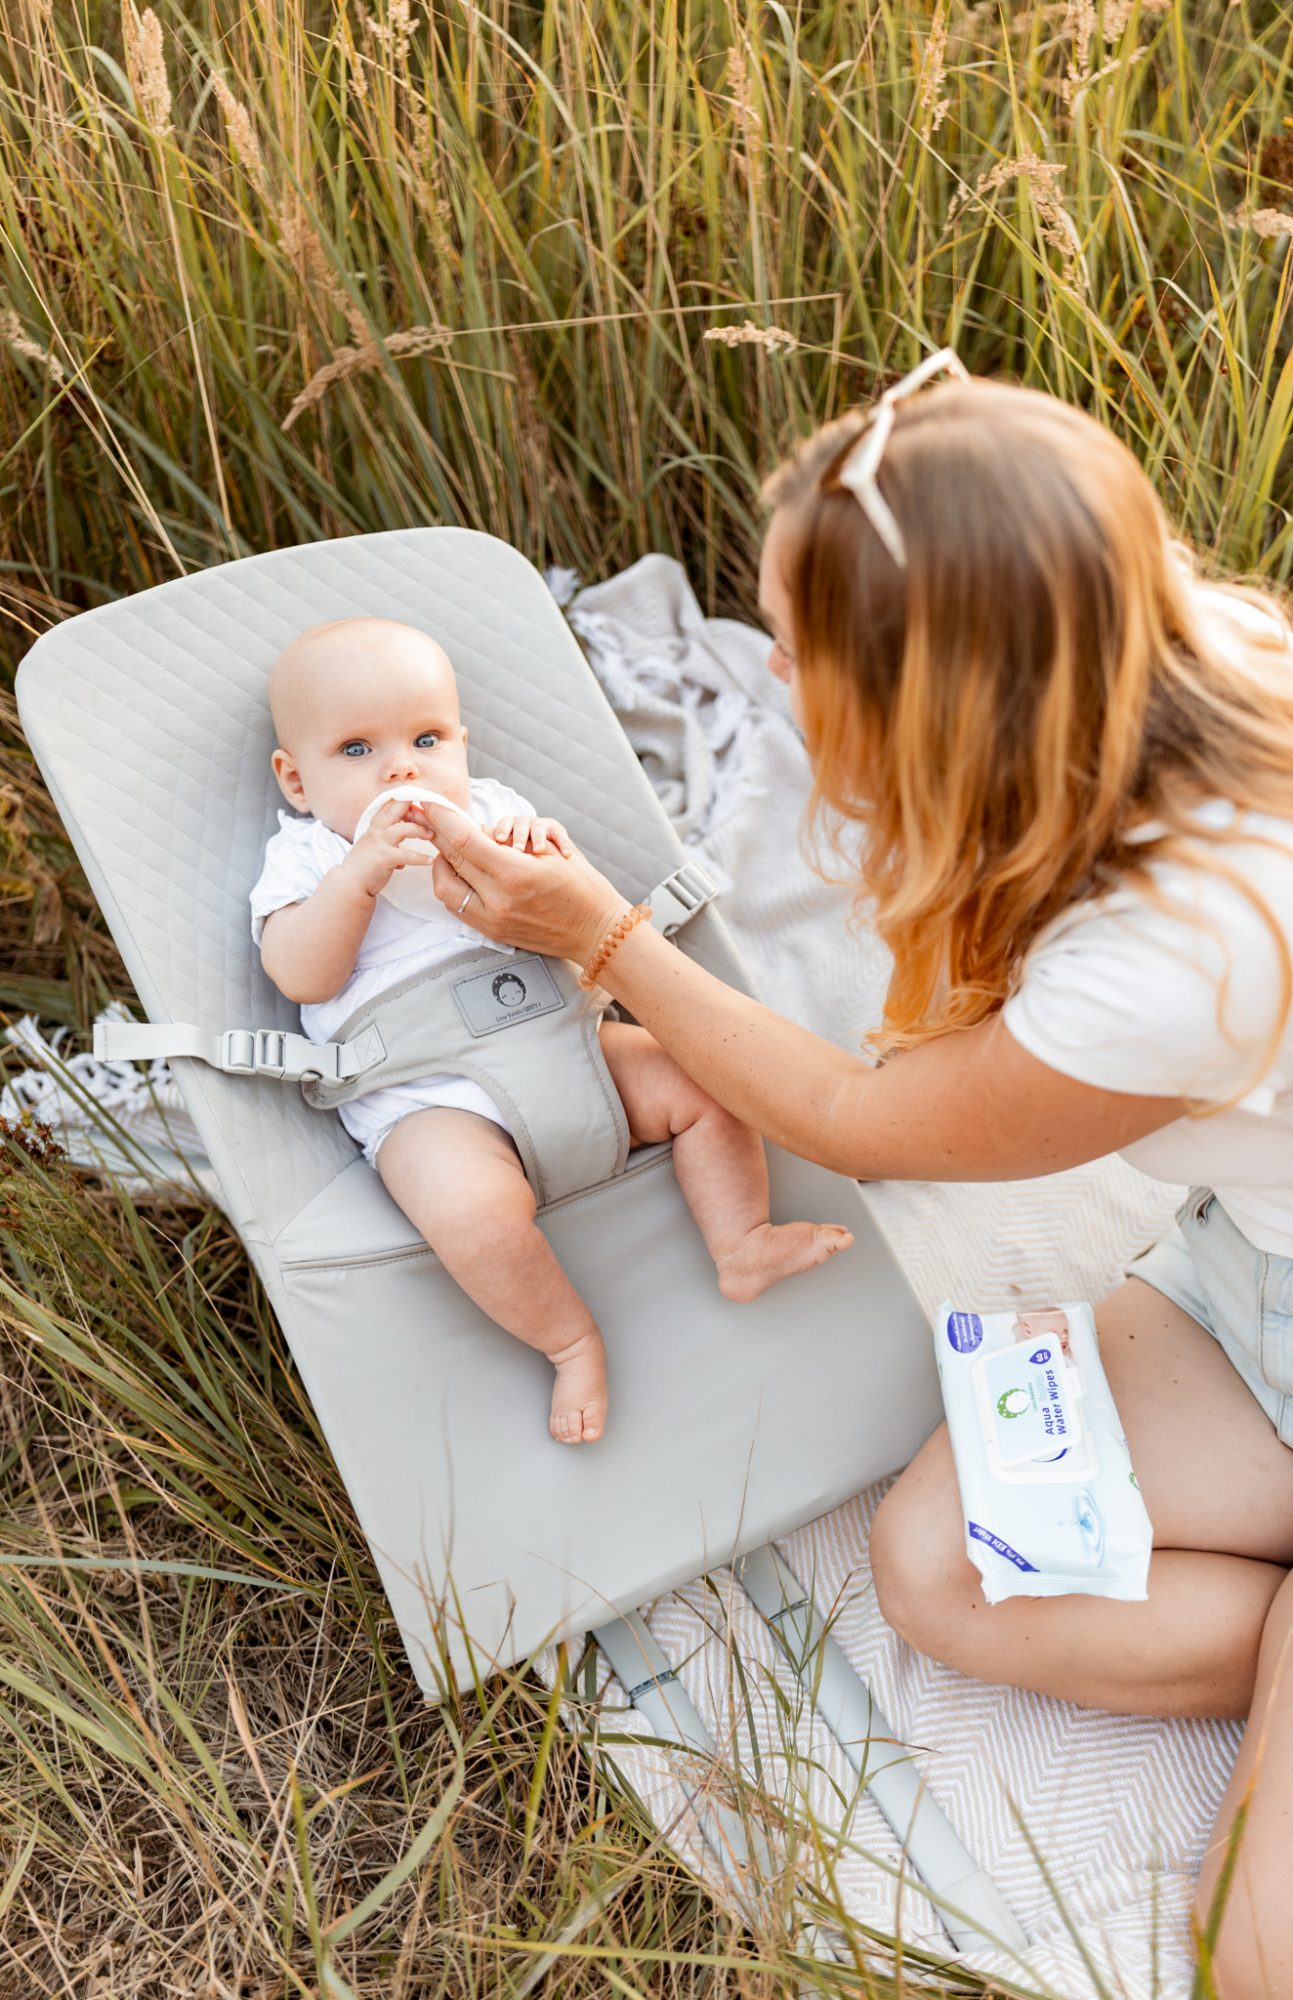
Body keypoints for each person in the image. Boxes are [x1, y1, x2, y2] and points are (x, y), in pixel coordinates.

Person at [401, 354, 1293, 2000]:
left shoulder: (1176, 953)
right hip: (1256, 1289)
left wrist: (600, 937)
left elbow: (865, 1118)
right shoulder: (1213, 672)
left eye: (798, 651)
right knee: (936, 1561)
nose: (777, 673)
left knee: (1249, 1966)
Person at [249, 616, 852, 1446]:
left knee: (705, 1082)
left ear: (463, 743)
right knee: (469, 1215)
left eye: (426, 739)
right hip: (433, 1095)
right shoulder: (309, 859)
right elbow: (300, 974)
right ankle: (569, 1341)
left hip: (569, 1041)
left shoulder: (495, 811)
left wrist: (549, 853)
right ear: (297, 779)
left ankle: (740, 1242)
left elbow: (571, 906)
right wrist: (357, 879)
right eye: (356, 750)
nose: (401, 768)